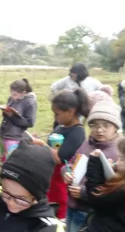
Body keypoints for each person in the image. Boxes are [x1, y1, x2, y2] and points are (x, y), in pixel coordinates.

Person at [49, 101, 123, 232]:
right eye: (95, 125)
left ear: (116, 128)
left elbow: (113, 191)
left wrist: (82, 192)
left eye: (105, 126)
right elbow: (71, 162)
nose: (99, 130)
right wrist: (66, 172)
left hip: (89, 212)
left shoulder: (117, 154)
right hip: (74, 205)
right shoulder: (88, 143)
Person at [32, 89, 89, 220]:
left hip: (61, 180)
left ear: (71, 111)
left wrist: (41, 144)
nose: (55, 118)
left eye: (57, 114)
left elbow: (59, 158)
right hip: (50, 178)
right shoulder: (61, 127)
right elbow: (51, 144)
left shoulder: (77, 132)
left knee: (58, 208)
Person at [50, 63, 104, 129]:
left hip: (83, 108)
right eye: (71, 73)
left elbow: (103, 89)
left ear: (80, 73)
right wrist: (58, 100)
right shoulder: (67, 80)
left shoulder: (91, 81)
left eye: (74, 73)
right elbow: (54, 87)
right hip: (67, 107)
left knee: (78, 126)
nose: (72, 75)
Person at [0, 79, 37, 162]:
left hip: (14, 137)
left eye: (15, 95)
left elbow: (30, 122)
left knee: (11, 161)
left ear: (23, 92)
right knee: (4, 159)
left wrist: (12, 116)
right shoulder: (11, 98)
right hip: (3, 133)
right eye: (11, 94)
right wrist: (5, 112)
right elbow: (7, 114)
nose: (13, 97)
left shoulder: (30, 102)